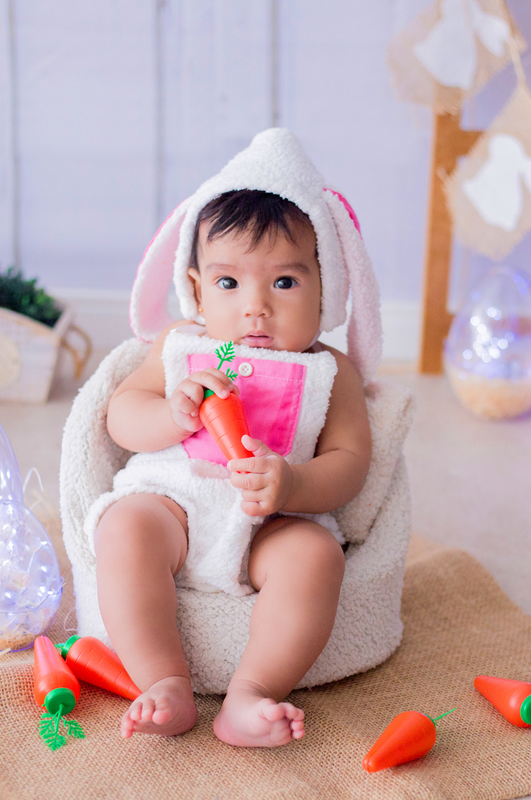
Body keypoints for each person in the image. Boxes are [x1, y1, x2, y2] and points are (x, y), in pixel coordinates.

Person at [93, 130, 380, 748]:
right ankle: (163, 680)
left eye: (283, 283)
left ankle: (251, 693)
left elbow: (352, 462)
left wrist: (296, 483)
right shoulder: (180, 346)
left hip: (271, 525)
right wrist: (173, 414)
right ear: (195, 288)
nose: (255, 308)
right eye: (229, 284)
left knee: (316, 558)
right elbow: (122, 416)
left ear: (324, 288)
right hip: (176, 509)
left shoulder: (330, 371)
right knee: (122, 529)